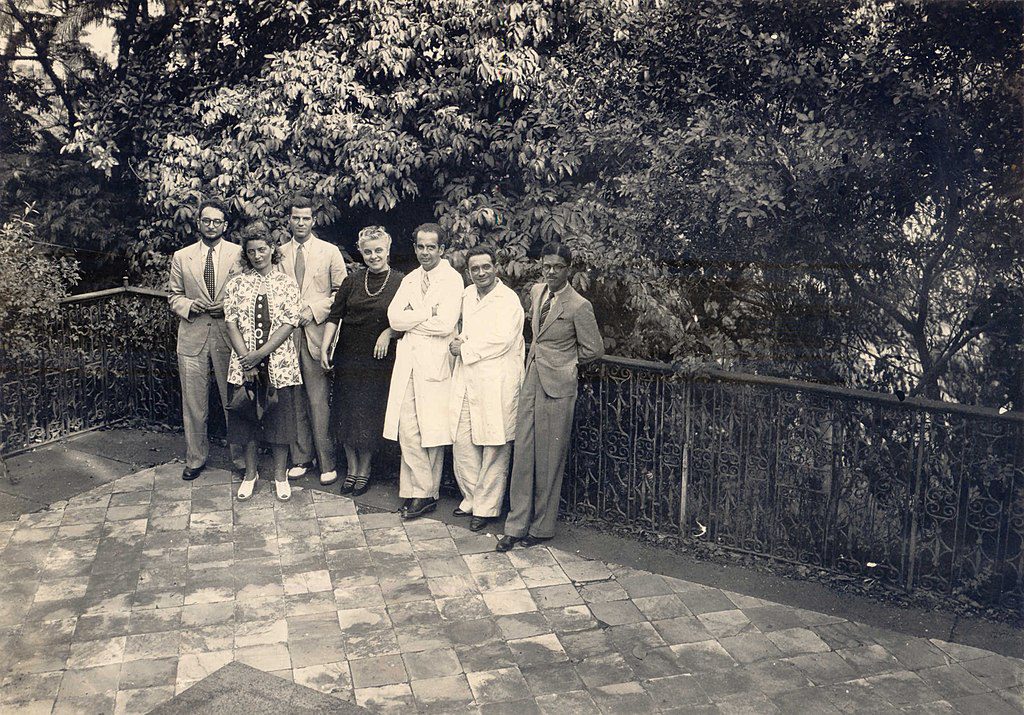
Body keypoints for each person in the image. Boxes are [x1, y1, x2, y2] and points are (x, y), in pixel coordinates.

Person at [496, 242, 603, 551]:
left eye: (558, 267)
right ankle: (515, 525)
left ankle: (541, 528)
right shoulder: (537, 292)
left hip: (557, 388)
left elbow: (594, 349)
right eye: (547, 266)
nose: (551, 272)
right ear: (541, 266)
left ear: (568, 269)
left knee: (548, 459)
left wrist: (565, 364)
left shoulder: (579, 305)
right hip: (531, 380)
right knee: (523, 453)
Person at [384, 223, 464, 520]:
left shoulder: (452, 279)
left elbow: (445, 325)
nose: (425, 252)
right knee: (408, 428)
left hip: (435, 360)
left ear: (442, 249)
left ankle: (424, 494)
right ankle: (422, 491)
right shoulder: (410, 279)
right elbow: (393, 316)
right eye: (420, 246)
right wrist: (425, 314)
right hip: (409, 361)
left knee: (431, 430)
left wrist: (412, 319)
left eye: (431, 247)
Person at [320, 226, 404, 496]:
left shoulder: (401, 282)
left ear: (388, 250)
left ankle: (364, 470)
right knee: (346, 411)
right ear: (361, 252)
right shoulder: (353, 280)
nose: (373, 256)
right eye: (367, 251)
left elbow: (411, 318)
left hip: (378, 359)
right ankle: (352, 468)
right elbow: (335, 315)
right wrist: (325, 348)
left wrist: (389, 332)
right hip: (349, 356)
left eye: (379, 250)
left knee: (369, 414)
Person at [223, 222, 303, 501]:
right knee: (247, 420)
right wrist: (248, 358)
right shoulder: (237, 284)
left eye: (262, 249)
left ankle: (280, 476)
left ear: (272, 250)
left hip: (279, 363)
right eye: (251, 251)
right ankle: (250, 475)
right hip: (244, 364)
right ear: (245, 254)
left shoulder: (286, 282)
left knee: (280, 420)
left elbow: (289, 322)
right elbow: (230, 322)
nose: (257, 255)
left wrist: (261, 353)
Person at [448, 245, 525, 532]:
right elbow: (464, 329)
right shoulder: (468, 295)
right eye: (475, 268)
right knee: (462, 439)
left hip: (497, 380)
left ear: (496, 267)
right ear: (468, 271)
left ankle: (487, 507)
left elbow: (502, 340)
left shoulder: (508, 300)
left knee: (495, 444)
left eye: (485, 267)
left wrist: (464, 348)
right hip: (468, 378)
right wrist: (459, 341)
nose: (480, 273)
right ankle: (471, 496)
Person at [168, 199, 244, 481]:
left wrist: (227, 306)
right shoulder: (182, 256)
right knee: (194, 403)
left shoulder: (239, 254)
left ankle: (240, 459)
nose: (211, 226)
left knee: (234, 400)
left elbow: (246, 293)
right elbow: (173, 295)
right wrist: (189, 306)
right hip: (193, 335)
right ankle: (195, 458)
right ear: (198, 223)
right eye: (206, 221)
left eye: (217, 222)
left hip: (229, 336)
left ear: (225, 225)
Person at [277, 195, 347, 486]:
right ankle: (301, 457)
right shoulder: (278, 252)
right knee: (292, 399)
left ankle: (327, 461)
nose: (301, 223)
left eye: (306, 218)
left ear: (313, 220)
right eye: (296, 218)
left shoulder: (329, 251)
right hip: (285, 336)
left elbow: (342, 293)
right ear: (289, 220)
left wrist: (314, 310)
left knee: (318, 400)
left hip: (317, 334)